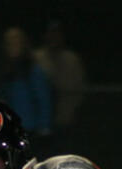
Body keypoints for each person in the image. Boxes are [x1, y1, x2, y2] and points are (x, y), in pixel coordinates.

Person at [0, 27, 53, 153]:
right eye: (9, 43)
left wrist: (44, 127)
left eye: (17, 42)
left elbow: (43, 99)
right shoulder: (6, 70)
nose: (13, 46)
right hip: (12, 129)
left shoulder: (33, 69)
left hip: (32, 130)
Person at [33, 20, 84, 152]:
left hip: (65, 119)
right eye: (50, 33)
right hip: (40, 122)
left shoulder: (71, 58)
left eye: (57, 33)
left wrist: (72, 110)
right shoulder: (36, 58)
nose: (53, 37)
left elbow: (79, 88)